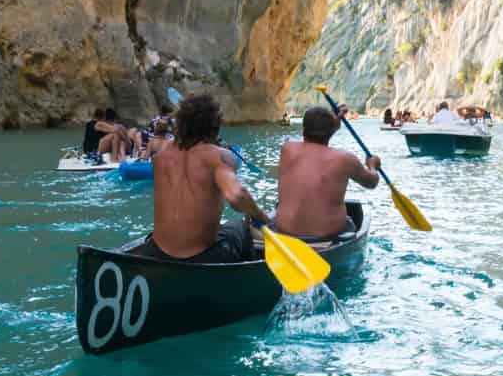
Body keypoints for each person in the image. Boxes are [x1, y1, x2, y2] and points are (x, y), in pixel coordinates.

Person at [146, 92, 274, 263]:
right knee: (241, 227)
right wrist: (261, 217)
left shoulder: (160, 155)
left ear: (181, 123)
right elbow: (236, 196)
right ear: (215, 125)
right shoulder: (220, 157)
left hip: (157, 252)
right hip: (201, 258)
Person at [273, 106, 380, 242]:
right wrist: (372, 165)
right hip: (326, 236)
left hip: (285, 232)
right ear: (330, 131)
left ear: (303, 129)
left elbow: (318, 136)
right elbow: (372, 182)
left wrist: (332, 125)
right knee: (353, 219)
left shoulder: (287, 149)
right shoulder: (345, 159)